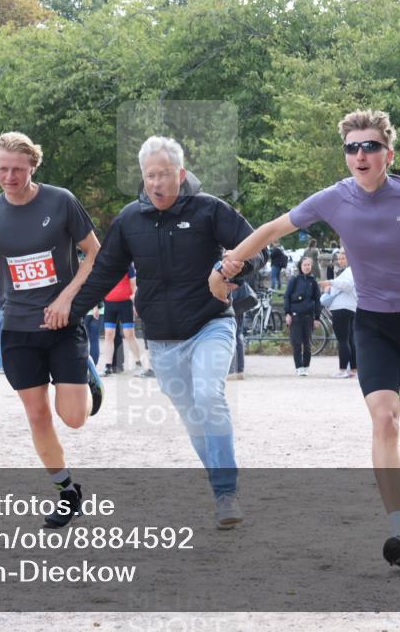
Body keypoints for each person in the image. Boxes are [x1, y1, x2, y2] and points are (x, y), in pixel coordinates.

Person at [220, 109, 400, 569]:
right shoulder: (333, 199)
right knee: (384, 422)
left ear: (388, 154)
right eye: (352, 147)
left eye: (370, 146)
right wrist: (230, 264)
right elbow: (273, 229)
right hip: (373, 324)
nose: (360, 154)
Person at [62, 135, 268, 529]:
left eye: (164, 174)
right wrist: (70, 312)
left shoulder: (210, 209)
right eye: (149, 175)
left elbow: (255, 247)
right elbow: (104, 272)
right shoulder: (129, 220)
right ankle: (221, 486)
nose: (156, 183)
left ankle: (226, 492)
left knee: (209, 396)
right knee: (194, 419)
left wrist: (236, 266)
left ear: (181, 173)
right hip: (161, 339)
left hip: (211, 323)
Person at [0, 131, 104, 529]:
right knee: (38, 415)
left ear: (33, 167)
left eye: (17, 170)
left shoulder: (61, 201)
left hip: (63, 325)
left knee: (73, 418)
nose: (9, 177)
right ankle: (67, 491)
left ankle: (87, 375)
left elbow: (95, 254)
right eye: (2, 169)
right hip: (19, 330)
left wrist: (67, 299)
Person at [100, 264, 146, 376]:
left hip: (126, 304)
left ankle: (138, 364)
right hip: (110, 304)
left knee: (129, 334)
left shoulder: (128, 266)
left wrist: (135, 304)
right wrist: (96, 306)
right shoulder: (104, 266)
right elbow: (100, 285)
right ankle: (108, 367)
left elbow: (134, 286)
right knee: (108, 335)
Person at [321, 248, 357, 378]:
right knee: (349, 339)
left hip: (341, 307)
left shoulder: (349, 271)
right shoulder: (350, 271)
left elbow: (347, 285)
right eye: (339, 259)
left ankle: (343, 369)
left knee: (343, 340)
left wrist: (331, 283)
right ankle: (353, 369)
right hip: (349, 307)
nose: (340, 261)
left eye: (343, 258)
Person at [283, 257, 321, 376]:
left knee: (307, 343)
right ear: (300, 266)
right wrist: (287, 313)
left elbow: (317, 300)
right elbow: (287, 296)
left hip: (308, 316)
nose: (307, 267)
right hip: (295, 315)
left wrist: (317, 318)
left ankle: (306, 366)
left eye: (309, 265)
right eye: (305, 265)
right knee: (297, 343)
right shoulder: (294, 280)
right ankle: (299, 367)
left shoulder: (313, 281)